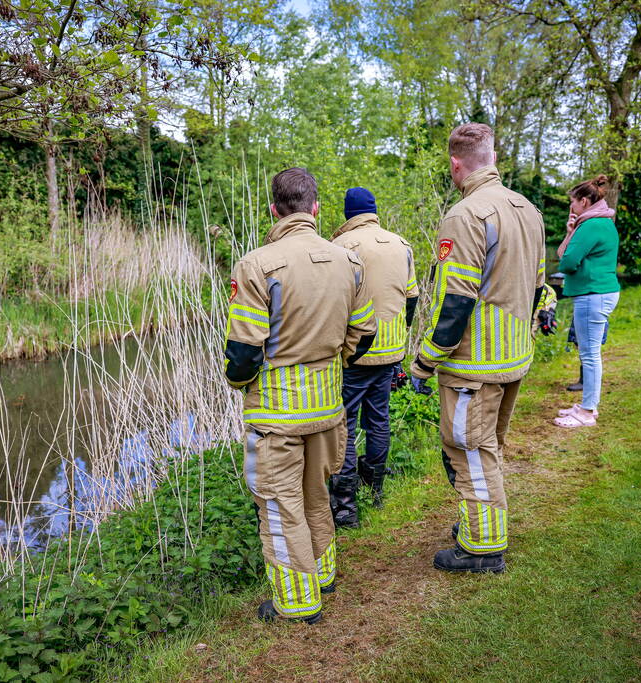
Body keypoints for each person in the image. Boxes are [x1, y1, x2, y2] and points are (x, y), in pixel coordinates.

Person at [223, 167, 376, 623]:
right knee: (315, 492)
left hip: (277, 414)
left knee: (277, 501)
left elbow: (245, 351)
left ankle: (296, 600)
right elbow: (364, 331)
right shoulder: (350, 260)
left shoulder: (256, 264)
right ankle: (323, 571)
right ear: (315, 209)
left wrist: (237, 384)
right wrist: (337, 361)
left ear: (274, 210)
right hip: (329, 408)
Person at [409, 123, 546, 574]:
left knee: (468, 448)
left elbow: (456, 301)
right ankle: (479, 522)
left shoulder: (465, 215)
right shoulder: (528, 209)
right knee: (488, 447)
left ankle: (483, 549)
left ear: (455, 164)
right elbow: (540, 284)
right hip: (514, 357)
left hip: (475, 364)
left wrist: (425, 361)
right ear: (492, 156)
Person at [328, 187, 419, 528]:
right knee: (379, 419)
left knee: (346, 427)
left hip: (355, 351)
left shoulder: (341, 247)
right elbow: (411, 299)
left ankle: (347, 507)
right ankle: (375, 489)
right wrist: (400, 335)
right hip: (390, 350)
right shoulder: (401, 244)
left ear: (348, 214)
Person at [553, 174, 620, 428]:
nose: (571, 207)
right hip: (597, 294)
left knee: (590, 355)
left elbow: (567, 262)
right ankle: (585, 405)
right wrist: (571, 232)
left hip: (594, 295)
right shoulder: (599, 223)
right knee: (590, 353)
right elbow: (566, 255)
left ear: (583, 201)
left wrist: (573, 236)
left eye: (573, 203)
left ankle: (588, 411)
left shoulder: (591, 225)